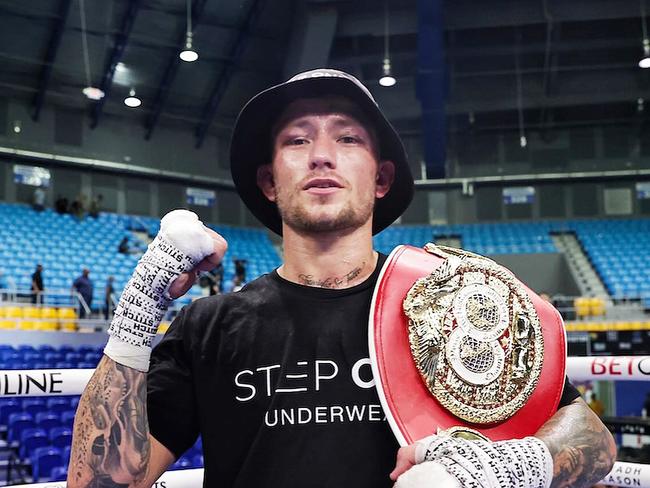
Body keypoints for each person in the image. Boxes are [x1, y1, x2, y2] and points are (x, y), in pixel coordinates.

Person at [68, 69, 616, 488]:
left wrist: (512, 465)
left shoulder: (452, 303)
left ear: (380, 179)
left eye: (348, 139)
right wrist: (139, 311)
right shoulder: (208, 327)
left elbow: (592, 437)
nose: (322, 156)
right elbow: (99, 483)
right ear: (268, 181)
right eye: (297, 140)